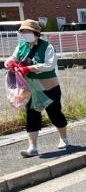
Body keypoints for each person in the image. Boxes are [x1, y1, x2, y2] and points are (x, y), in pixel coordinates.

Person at [4, 19, 70, 157]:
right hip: (29, 88)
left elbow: (49, 65)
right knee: (31, 115)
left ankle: (64, 139)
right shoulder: (21, 46)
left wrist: (30, 68)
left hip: (49, 87)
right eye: (22, 31)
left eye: (27, 31)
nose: (24, 34)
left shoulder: (47, 46)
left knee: (54, 113)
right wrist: (9, 62)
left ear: (35, 32)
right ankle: (32, 147)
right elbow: (14, 58)